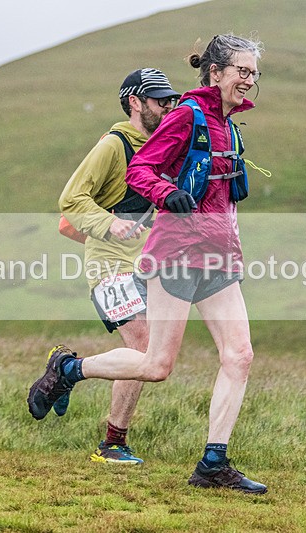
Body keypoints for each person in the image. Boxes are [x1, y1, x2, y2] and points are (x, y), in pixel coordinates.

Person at [28, 34, 267, 494]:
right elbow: (142, 171)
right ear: (215, 73)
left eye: (254, 73)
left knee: (240, 355)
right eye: (242, 70)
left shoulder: (231, 127)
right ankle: (70, 371)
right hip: (176, 254)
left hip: (218, 257)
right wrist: (164, 193)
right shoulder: (186, 116)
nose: (249, 80)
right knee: (155, 364)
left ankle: (212, 465)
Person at [28, 68, 181, 465]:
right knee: (144, 346)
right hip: (109, 263)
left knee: (151, 356)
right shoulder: (113, 145)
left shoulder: (168, 148)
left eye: (170, 99)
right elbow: (71, 200)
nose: (168, 105)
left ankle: (75, 382)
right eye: (159, 99)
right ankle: (111, 439)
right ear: (134, 102)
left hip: (151, 263)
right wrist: (109, 224)